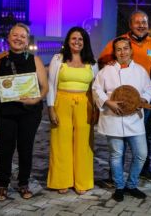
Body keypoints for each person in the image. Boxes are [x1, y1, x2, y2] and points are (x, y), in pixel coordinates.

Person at [0, 23, 48, 201]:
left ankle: (23, 184)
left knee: (25, 148)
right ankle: (3, 185)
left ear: (27, 40)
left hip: (29, 112)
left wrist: (36, 99)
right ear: (8, 38)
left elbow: (44, 88)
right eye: (15, 35)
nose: (18, 38)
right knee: (5, 149)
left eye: (22, 36)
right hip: (5, 112)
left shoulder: (34, 60)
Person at [98, 10, 151, 183]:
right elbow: (102, 60)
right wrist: (109, 61)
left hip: (142, 98)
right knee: (121, 138)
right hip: (122, 98)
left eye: (144, 22)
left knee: (146, 134)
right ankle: (116, 174)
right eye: (137, 22)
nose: (141, 25)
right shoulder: (119, 41)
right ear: (130, 24)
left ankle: (145, 168)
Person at [93, 37, 151, 202]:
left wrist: (144, 100)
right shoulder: (106, 70)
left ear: (131, 50)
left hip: (134, 119)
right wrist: (107, 101)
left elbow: (148, 89)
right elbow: (96, 88)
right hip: (113, 118)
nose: (122, 52)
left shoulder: (140, 71)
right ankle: (119, 186)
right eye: (118, 49)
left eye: (125, 48)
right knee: (116, 154)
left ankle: (131, 184)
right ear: (115, 52)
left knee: (141, 154)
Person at [46, 27, 97, 195]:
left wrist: (96, 109)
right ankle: (62, 180)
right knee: (61, 142)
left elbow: (95, 88)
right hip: (62, 103)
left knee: (84, 144)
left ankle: (82, 181)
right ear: (68, 41)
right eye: (74, 38)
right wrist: (51, 108)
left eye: (80, 39)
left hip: (85, 104)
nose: (77, 42)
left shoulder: (92, 62)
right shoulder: (58, 59)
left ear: (85, 42)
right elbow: (51, 85)